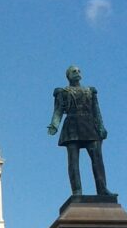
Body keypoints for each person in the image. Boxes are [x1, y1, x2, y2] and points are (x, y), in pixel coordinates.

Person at [47, 64, 112, 196]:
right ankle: (77, 191)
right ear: (68, 76)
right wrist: (54, 125)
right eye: (73, 71)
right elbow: (58, 110)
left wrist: (101, 127)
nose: (77, 73)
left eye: (78, 71)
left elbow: (96, 111)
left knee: (97, 159)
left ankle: (102, 189)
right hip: (72, 126)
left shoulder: (90, 91)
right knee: (73, 161)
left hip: (89, 125)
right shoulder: (63, 92)